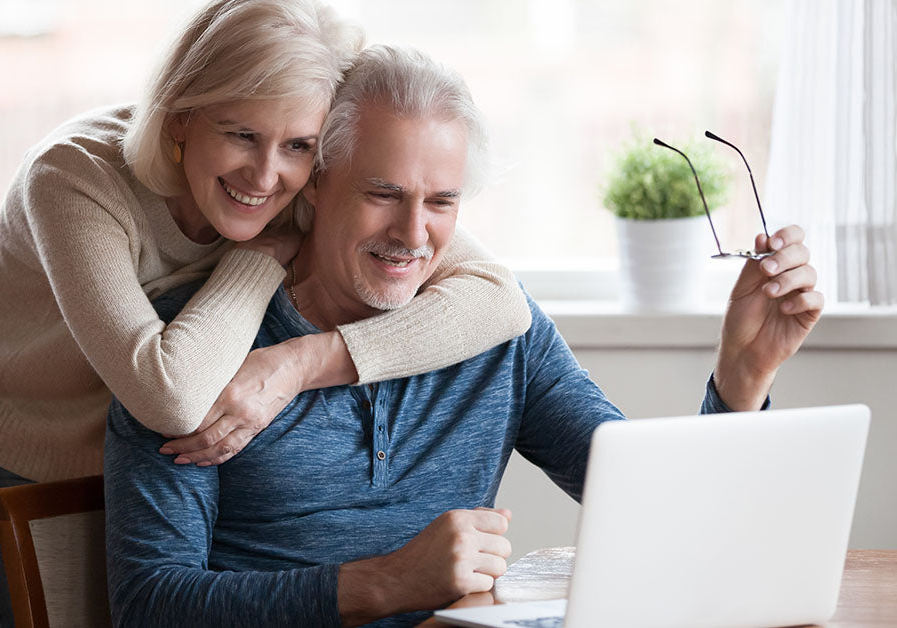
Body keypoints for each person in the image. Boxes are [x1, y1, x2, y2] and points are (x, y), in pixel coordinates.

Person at [104, 44, 823, 627]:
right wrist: (379, 584)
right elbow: (150, 603)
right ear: (316, 183)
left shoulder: (498, 332)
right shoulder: (195, 351)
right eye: (383, 193)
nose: (413, 235)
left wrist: (741, 378)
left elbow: (662, 510)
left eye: (441, 202)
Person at [0, 2, 533, 626]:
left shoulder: (301, 180)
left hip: (150, 428)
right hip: (21, 429)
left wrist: (300, 362)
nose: (265, 176)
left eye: (298, 145)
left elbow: (500, 298)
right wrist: (259, 255)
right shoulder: (73, 177)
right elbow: (168, 398)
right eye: (241, 134)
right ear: (182, 116)